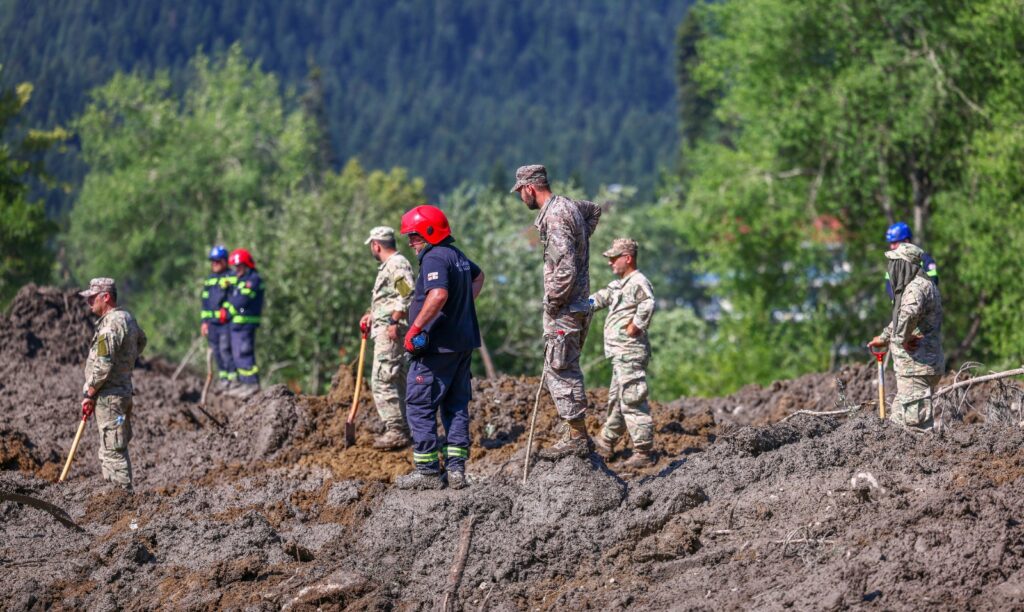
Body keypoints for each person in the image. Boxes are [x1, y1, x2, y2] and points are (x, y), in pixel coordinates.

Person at [511, 164, 601, 460]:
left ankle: (577, 437)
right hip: (579, 303)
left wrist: (552, 301)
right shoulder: (569, 206)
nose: (520, 198)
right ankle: (574, 431)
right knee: (564, 366)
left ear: (529, 188)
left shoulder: (555, 215)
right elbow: (594, 211)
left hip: (565, 308)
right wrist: (582, 239)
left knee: (562, 370)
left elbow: (565, 267)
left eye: (520, 192)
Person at [395, 205, 485, 490]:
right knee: (456, 405)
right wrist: (463, 307)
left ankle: (428, 471)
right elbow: (478, 277)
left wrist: (416, 328)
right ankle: (456, 470)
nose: (410, 243)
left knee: (419, 404)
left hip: (437, 348)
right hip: (462, 344)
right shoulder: (456, 256)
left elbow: (439, 294)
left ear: (429, 232)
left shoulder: (433, 257)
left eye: (414, 236)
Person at [589, 238, 657, 469]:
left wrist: (636, 326)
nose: (610, 263)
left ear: (627, 258)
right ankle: (606, 441)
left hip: (630, 351)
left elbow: (648, 303)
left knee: (632, 399)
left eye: (613, 258)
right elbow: (600, 298)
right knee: (616, 399)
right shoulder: (619, 284)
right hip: (619, 353)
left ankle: (643, 451)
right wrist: (574, 306)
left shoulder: (638, 281)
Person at [79, 278, 147, 492]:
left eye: (93, 297)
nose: (89, 302)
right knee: (118, 445)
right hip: (123, 393)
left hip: (109, 399)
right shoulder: (127, 318)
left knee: (111, 450)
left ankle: (121, 499)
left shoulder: (109, 325)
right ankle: (118, 496)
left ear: (106, 296)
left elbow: (103, 364)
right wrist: (125, 363)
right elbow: (141, 341)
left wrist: (90, 393)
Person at [868, 242, 944, 431]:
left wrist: (902, 338)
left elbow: (908, 314)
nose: (891, 268)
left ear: (905, 265)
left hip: (917, 367)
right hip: (918, 368)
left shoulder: (916, 288)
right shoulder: (921, 285)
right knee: (897, 423)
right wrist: (885, 337)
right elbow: (903, 319)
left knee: (916, 427)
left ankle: (929, 458)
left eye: (895, 263)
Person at [359, 226, 416, 450]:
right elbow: (393, 297)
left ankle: (396, 430)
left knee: (383, 380)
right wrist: (374, 314)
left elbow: (407, 293)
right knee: (394, 377)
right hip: (386, 327)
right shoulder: (392, 265)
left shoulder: (396, 264)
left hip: (391, 331)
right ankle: (404, 428)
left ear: (376, 245)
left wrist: (394, 321)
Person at [222, 248, 264, 399]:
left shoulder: (253, 279)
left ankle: (252, 385)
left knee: (244, 354)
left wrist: (227, 311)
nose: (236, 270)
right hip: (237, 325)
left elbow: (241, 300)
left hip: (246, 325)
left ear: (246, 265)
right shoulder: (241, 279)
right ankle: (245, 384)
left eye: (239, 267)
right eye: (235, 267)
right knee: (237, 355)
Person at [200, 245, 237, 391]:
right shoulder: (209, 280)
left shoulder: (232, 277)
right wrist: (204, 322)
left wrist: (227, 312)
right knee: (216, 351)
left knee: (226, 349)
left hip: (226, 323)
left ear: (224, 261)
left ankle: (233, 380)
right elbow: (205, 302)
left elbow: (236, 298)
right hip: (212, 324)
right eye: (212, 261)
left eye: (217, 261)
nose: (214, 264)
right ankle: (223, 379)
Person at [884, 222, 938, 300]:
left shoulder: (925, 260)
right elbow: (889, 285)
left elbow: (933, 283)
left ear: (906, 241)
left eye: (895, 242)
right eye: (890, 243)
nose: (891, 246)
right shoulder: (892, 264)